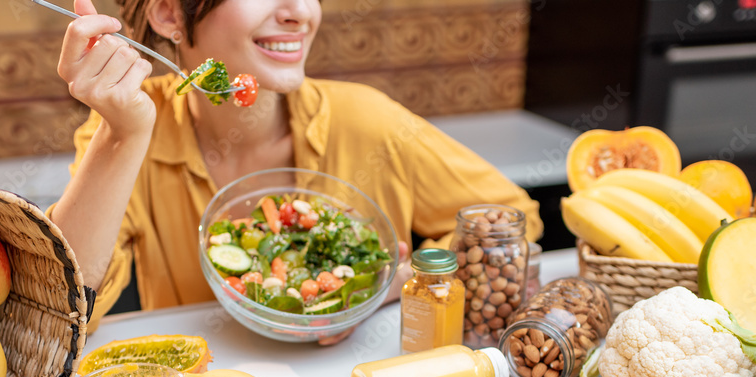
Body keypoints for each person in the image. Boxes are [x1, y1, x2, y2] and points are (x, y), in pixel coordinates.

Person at [48, 0, 542, 333]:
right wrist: (124, 134)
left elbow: (509, 218)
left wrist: (404, 278)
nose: (301, 13)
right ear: (170, 13)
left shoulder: (368, 121)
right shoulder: (128, 127)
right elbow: (60, 305)